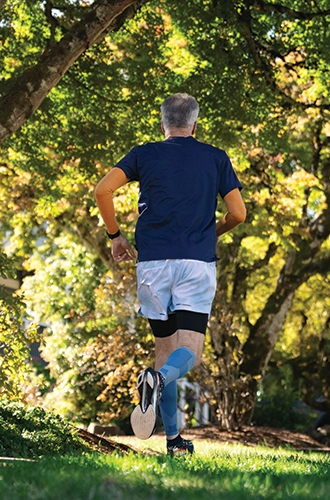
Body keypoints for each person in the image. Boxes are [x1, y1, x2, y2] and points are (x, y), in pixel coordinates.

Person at [93, 93, 246, 457]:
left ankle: (174, 442)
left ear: (163, 124)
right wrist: (212, 232)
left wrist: (116, 237)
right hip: (195, 265)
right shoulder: (215, 157)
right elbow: (238, 214)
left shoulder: (144, 154)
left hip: (152, 266)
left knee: (165, 350)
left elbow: (102, 190)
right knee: (188, 354)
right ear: (194, 124)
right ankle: (158, 380)